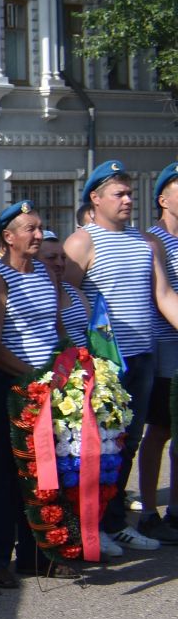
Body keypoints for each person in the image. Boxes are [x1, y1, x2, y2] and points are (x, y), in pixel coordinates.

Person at [63, 161, 178, 551]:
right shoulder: (82, 241)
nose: (128, 200)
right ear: (95, 199)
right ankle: (89, 527)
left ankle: (114, 522)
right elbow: (65, 293)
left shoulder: (147, 242)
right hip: (104, 362)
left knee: (127, 443)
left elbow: (164, 297)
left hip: (143, 357)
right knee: (97, 445)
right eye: (119, 194)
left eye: (129, 193)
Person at [0, 201, 57, 586]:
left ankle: (36, 553)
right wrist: (33, 376)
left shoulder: (45, 273)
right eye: (30, 229)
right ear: (7, 238)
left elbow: (54, 328)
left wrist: (63, 371)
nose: (38, 235)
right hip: (11, 386)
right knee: (4, 476)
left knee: (41, 473)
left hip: (49, 387)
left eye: (39, 228)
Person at [138, 163, 178, 544]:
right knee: (161, 428)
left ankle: (176, 509)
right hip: (164, 345)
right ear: (163, 199)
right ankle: (148, 509)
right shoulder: (151, 241)